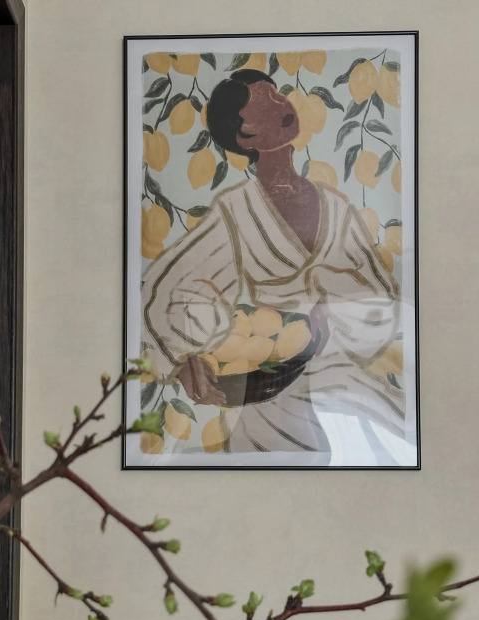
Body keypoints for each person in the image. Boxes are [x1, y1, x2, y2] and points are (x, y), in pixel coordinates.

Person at [141, 69, 407, 458]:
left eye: (276, 94)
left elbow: (380, 297)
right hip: (271, 381)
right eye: (263, 106)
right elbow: (171, 287)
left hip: (339, 374)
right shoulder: (236, 209)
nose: (282, 105)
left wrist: (333, 306)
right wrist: (185, 357)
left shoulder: (335, 205)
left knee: (392, 430)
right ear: (245, 137)